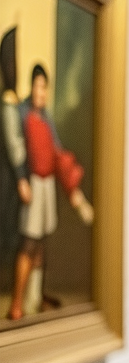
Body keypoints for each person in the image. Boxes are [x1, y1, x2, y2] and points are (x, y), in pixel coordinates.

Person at [1, 38, 93, 321]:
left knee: (40, 244)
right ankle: (17, 303)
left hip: (47, 186)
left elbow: (57, 152)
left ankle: (33, 299)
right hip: (32, 183)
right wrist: (22, 179)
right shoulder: (21, 112)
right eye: (38, 86)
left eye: (45, 87)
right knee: (29, 243)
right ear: (32, 87)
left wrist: (74, 191)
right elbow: (16, 148)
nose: (41, 92)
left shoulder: (46, 117)